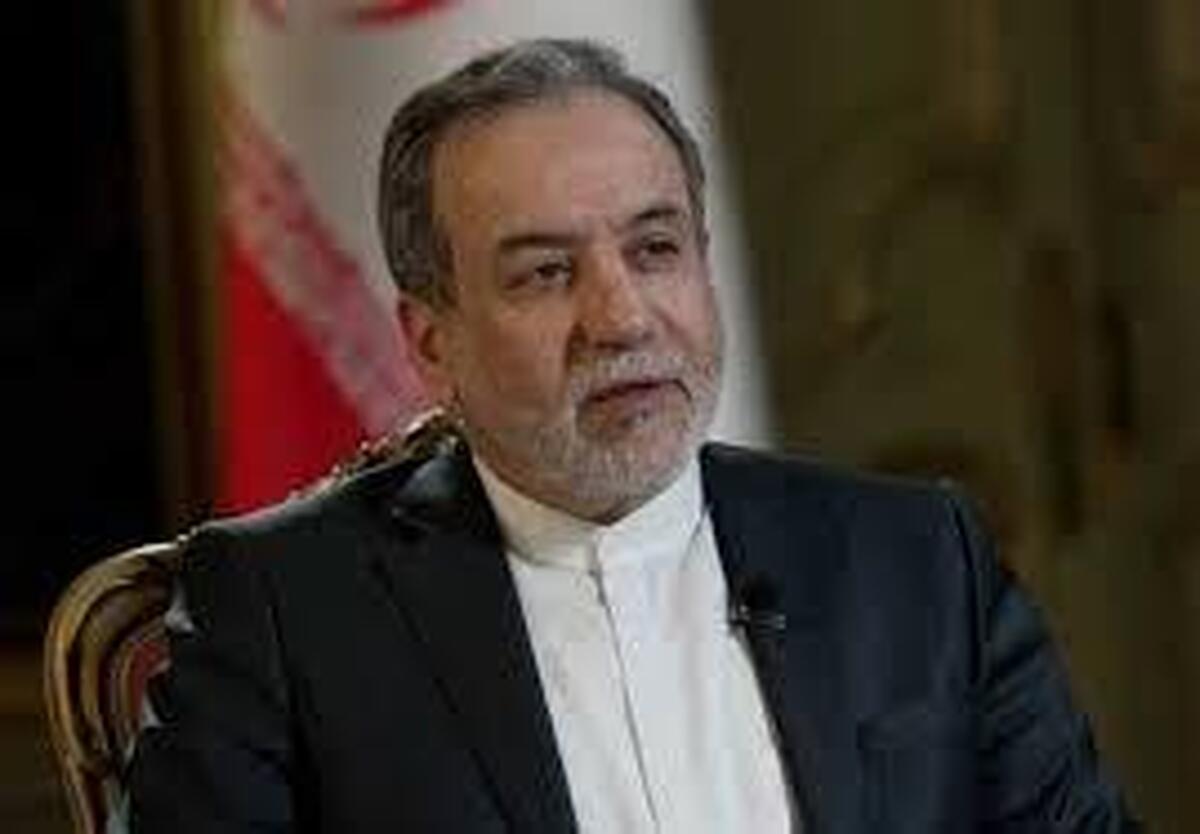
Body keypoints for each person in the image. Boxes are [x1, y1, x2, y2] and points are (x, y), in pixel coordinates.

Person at [128, 38, 1138, 832]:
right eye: (545, 273)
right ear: (431, 342)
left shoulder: (918, 559)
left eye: (655, 249)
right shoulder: (286, 613)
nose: (621, 317)